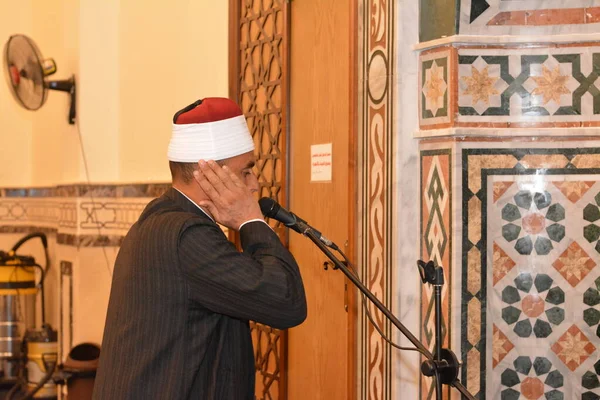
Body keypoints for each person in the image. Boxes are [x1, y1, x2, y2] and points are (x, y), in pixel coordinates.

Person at [93, 98, 307, 399]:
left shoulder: (163, 220)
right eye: (246, 172)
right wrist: (250, 221)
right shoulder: (186, 237)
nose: (255, 185)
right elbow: (286, 301)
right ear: (207, 175)